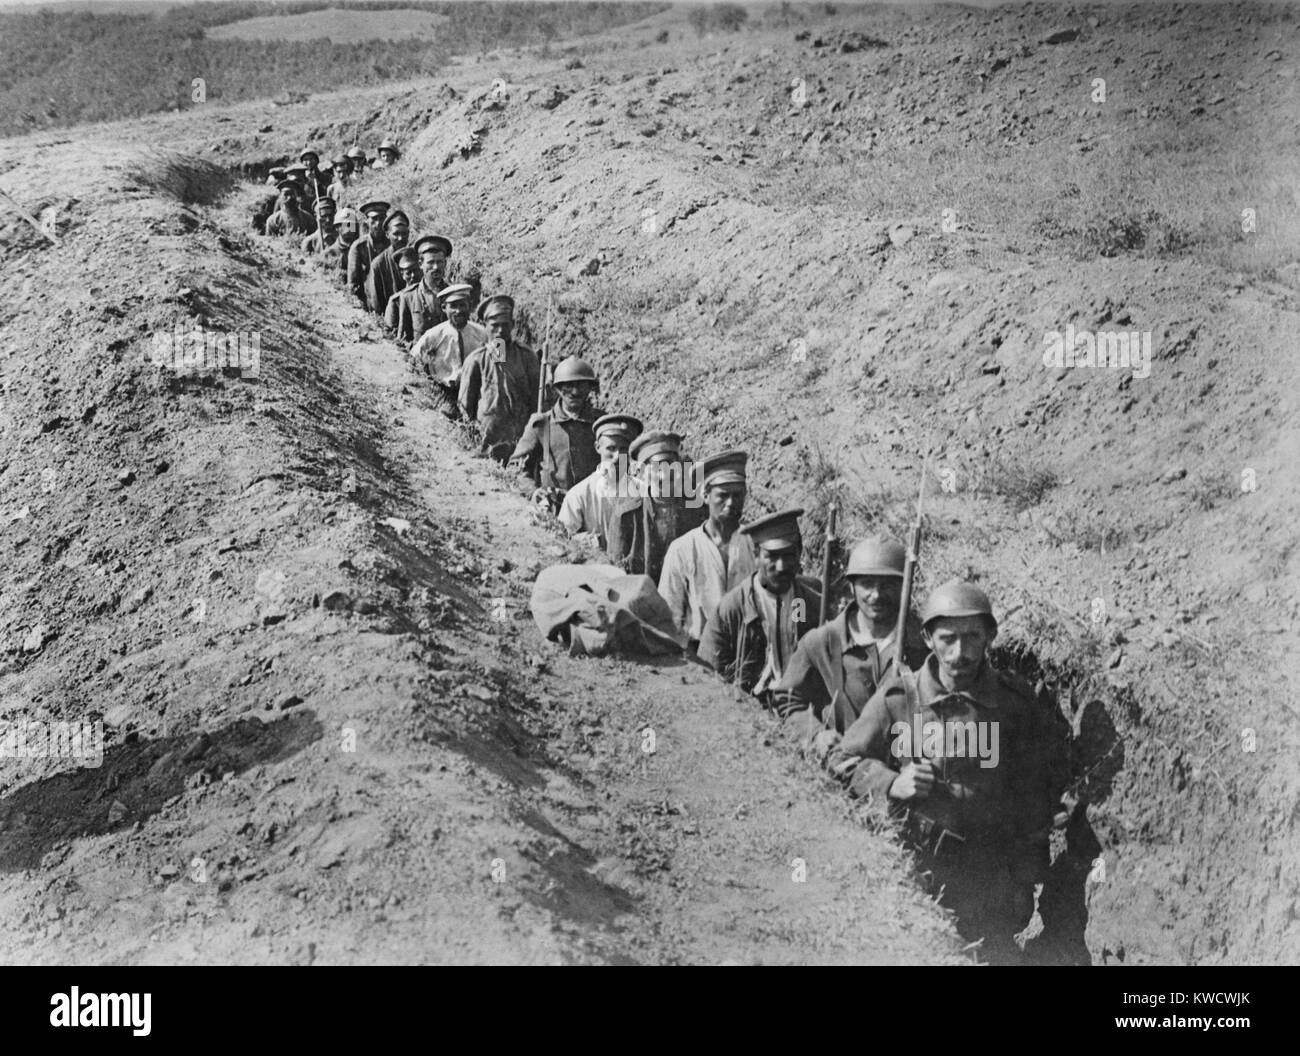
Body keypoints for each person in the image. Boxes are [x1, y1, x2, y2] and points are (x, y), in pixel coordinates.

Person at [832, 580, 1067, 963]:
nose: (960, 652)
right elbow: (844, 760)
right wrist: (892, 783)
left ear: (990, 635)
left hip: (990, 878)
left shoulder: (1014, 705)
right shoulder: (899, 699)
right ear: (927, 638)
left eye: (973, 637)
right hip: (917, 871)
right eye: (948, 638)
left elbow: (1035, 792)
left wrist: (1026, 875)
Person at [774, 536, 927, 755]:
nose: (876, 595)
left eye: (888, 585)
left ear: (905, 587)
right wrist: (816, 734)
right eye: (867, 584)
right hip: (835, 767)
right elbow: (788, 701)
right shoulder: (820, 642)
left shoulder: (925, 648)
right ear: (852, 587)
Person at [699, 508, 822, 699]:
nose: (781, 566)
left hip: (802, 706)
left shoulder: (811, 601)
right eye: (772, 557)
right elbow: (708, 676)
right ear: (756, 555)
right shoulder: (732, 609)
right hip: (752, 708)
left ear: (799, 553)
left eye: (788, 555)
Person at [659, 450, 756, 648]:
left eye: (737, 495)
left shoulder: (757, 544)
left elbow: (789, 600)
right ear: (705, 495)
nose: (731, 503)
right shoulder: (683, 549)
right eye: (722, 495)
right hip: (699, 652)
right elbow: (669, 613)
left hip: (749, 649)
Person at [604, 431, 704, 582]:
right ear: (644, 473)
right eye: (657, 468)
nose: (664, 475)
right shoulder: (626, 515)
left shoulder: (697, 510)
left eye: (670, 465)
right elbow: (615, 572)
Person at [507, 356, 601, 511]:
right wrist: (533, 492)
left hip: (593, 507)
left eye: (581, 386)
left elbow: (623, 458)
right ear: (557, 388)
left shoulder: (601, 423)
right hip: (553, 506)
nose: (575, 392)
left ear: (590, 388)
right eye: (568, 386)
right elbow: (515, 468)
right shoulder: (541, 424)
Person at [458, 296, 540, 462]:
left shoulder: (527, 356)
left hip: (520, 442)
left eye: (505, 324)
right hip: (486, 444)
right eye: (495, 326)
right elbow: (466, 404)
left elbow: (537, 400)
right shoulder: (476, 360)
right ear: (485, 327)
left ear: (513, 325)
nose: (500, 331)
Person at [558, 414, 643, 542]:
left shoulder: (642, 491)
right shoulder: (578, 495)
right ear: (598, 447)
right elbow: (563, 539)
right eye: (611, 448)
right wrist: (592, 541)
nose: (617, 457)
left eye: (624, 449)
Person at [410, 283, 488, 414]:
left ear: (470, 305)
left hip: (476, 394)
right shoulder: (434, 335)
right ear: (444, 308)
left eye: (462, 305)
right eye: (453, 306)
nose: (458, 311)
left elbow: (500, 358)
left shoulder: (482, 333)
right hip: (446, 394)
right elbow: (413, 359)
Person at [391, 235, 451, 345]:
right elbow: (403, 340)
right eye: (431, 262)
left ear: (445, 264)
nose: (436, 267)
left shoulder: (453, 294)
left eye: (440, 262)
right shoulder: (409, 296)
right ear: (420, 264)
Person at [365, 209, 410, 316]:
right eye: (396, 234)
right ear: (387, 235)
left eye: (404, 233)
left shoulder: (417, 260)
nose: (400, 238)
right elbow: (376, 305)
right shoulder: (378, 265)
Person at [347, 200, 390, 308]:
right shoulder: (358, 247)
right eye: (374, 219)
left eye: (382, 218)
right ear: (367, 222)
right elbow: (353, 284)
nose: (379, 224)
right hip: (370, 302)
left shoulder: (393, 243)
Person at [383, 247, 422, 332]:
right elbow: (390, 332)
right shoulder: (396, 301)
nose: (413, 276)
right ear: (402, 275)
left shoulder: (429, 296)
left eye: (416, 270)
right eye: (408, 273)